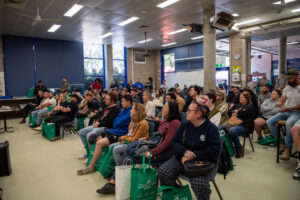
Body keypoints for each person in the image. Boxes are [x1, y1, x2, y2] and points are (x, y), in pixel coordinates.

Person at [158, 99, 220, 200]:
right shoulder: (186, 125)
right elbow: (174, 142)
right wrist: (184, 152)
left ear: (198, 114)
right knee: (163, 171)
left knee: (198, 183)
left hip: (201, 163)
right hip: (183, 158)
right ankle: (178, 194)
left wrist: (192, 156)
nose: (186, 112)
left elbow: (214, 150)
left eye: (189, 111)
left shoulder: (211, 129)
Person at [96, 103, 149, 194]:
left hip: (137, 145)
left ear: (137, 112)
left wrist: (123, 139)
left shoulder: (143, 123)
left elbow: (135, 139)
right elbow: (129, 135)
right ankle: (119, 170)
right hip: (129, 142)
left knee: (116, 149)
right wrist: (124, 139)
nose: (131, 111)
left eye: (132, 109)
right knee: (112, 146)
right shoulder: (133, 121)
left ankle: (120, 172)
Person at [77, 95, 132, 175]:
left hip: (120, 133)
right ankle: (93, 161)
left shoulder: (130, 111)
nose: (121, 103)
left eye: (123, 101)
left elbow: (119, 122)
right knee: (93, 138)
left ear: (128, 101)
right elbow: (115, 122)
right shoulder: (123, 111)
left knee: (99, 143)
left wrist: (119, 122)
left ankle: (91, 167)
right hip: (114, 130)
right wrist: (119, 122)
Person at [266, 69, 300, 161]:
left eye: (290, 79)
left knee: (289, 123)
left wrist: (289, 108)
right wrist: (280, 103)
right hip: (287, 111)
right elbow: (283, 99)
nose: (288, 80)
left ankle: (288, 149)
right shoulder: (287, 88)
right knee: (269, 121)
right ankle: (281, 143)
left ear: (296, 77)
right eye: (287, 79)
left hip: (297, 112)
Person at [78, 92, 121, 159]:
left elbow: (110, 121)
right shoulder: (106, 107)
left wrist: (99, 124)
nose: (105, 100)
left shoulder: (116, 109)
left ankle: (92, 156)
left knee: (90, 134)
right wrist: (97, 121)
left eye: (107, 99)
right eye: (105, 99)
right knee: (81, 132)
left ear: (112, 101)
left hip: (106, 127)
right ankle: (88, 151)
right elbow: (99, 115)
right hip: (98, 125)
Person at [219, 92, 254, 158]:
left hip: (245, 125)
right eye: (240, 97)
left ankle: (238, 147)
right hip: (233, 123)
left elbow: (243, 113)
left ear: (247, 98)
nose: (240, 98)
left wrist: (237, 112)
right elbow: (229, 112)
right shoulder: (237, 105)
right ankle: (226, 146)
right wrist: (235, 112)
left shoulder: (250, 106)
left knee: (232, 131)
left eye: (242, 97)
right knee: (220, 128)